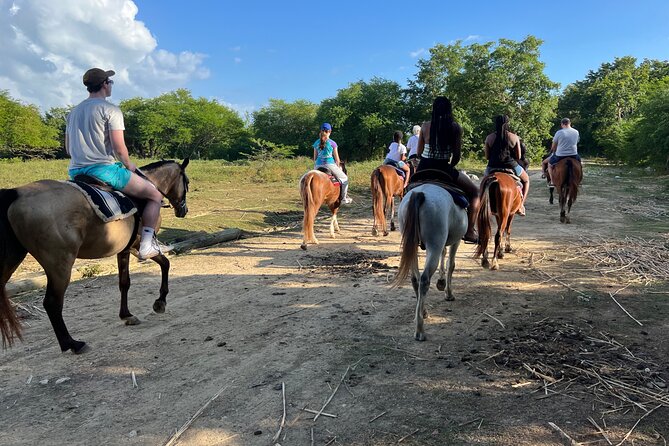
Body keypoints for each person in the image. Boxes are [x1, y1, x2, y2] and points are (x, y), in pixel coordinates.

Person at [65, 68, 171, 260]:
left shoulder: (73, 112)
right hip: (104, 170)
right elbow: (119, 148)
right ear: (105, 84)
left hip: (75, 171)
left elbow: (67, 148)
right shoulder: (111, 110)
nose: (111, 85)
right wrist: (129, 164)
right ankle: (147, 244)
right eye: (110, 82)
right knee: (155, 195)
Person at [416, 97, 480, 244]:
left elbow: (419, 152)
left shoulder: (425, 126)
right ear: (449, 110)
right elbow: (456, 156)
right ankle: (470, 231)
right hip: (443, 168)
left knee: (407, 189)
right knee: (475, 193)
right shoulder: (455, 127)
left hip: (423, 168)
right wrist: (450, 166)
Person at [483, 115, 530, 216]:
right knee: (526, 180)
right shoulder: (514, 137)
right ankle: (521, 205)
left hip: (492, 167)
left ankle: (483, 204)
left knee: (483, 184)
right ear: (508, 123)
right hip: (511, 166)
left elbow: (487, 156)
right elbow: (519, 156)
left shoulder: (489, 138)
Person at [313, 122, 352, 204]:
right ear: (330, 131)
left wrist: (316, 165)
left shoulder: (316, 143)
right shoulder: (332, 143)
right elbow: (337, 159)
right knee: (345, 178)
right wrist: (338, 166)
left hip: (318, 165)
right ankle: (343, 198)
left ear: (321, 131)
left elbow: (315, 158)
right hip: (329, 164)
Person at [543, 118, 581, 182]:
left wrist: (552, 150)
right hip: (573, 154)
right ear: (570, 123)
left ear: (562, 124)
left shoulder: (559, 132)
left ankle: (552, 181)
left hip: (560, 155)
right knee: (580, 165)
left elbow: (554, 145)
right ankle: (579, 180)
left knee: (549, 165)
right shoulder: (576, 132)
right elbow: (577, 142)